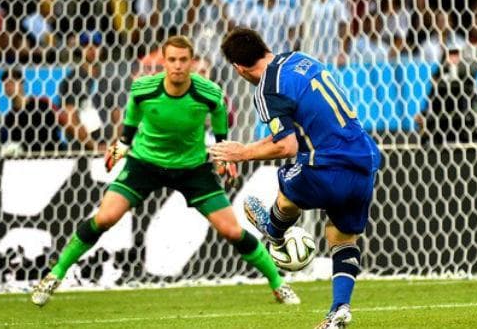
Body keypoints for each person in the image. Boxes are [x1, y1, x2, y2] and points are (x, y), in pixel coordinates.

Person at [31, 36, 299, 306]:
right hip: (145, 164)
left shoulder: (208, 92)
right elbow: (133, 111)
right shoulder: (143, 89)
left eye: (184, 60)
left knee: (231, 231)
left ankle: (278, 283)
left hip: (192, 167)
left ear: (192, 62)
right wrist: (123, 143)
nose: (178, 66)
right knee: (104, 218)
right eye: (172, 60)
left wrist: (221, 151)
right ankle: (55, 275)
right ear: (163, 61)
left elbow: (219, 113)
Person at [211, 28, 381, 329]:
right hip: (365, 158)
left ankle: (274, 234)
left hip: (328, 163)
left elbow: (285, 145)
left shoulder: (266, 88)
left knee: (287, 191)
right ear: (265, 47)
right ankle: (339, 310)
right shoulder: (300, 59)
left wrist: (243, 152)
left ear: (238, 68)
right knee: (341, 237)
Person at [0, 68, 60, 154]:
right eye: (5, 85)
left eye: (12, 83)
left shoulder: (41, 105)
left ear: (21, 84)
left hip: (50, 156)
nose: (8, 87)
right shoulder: (9, 118)